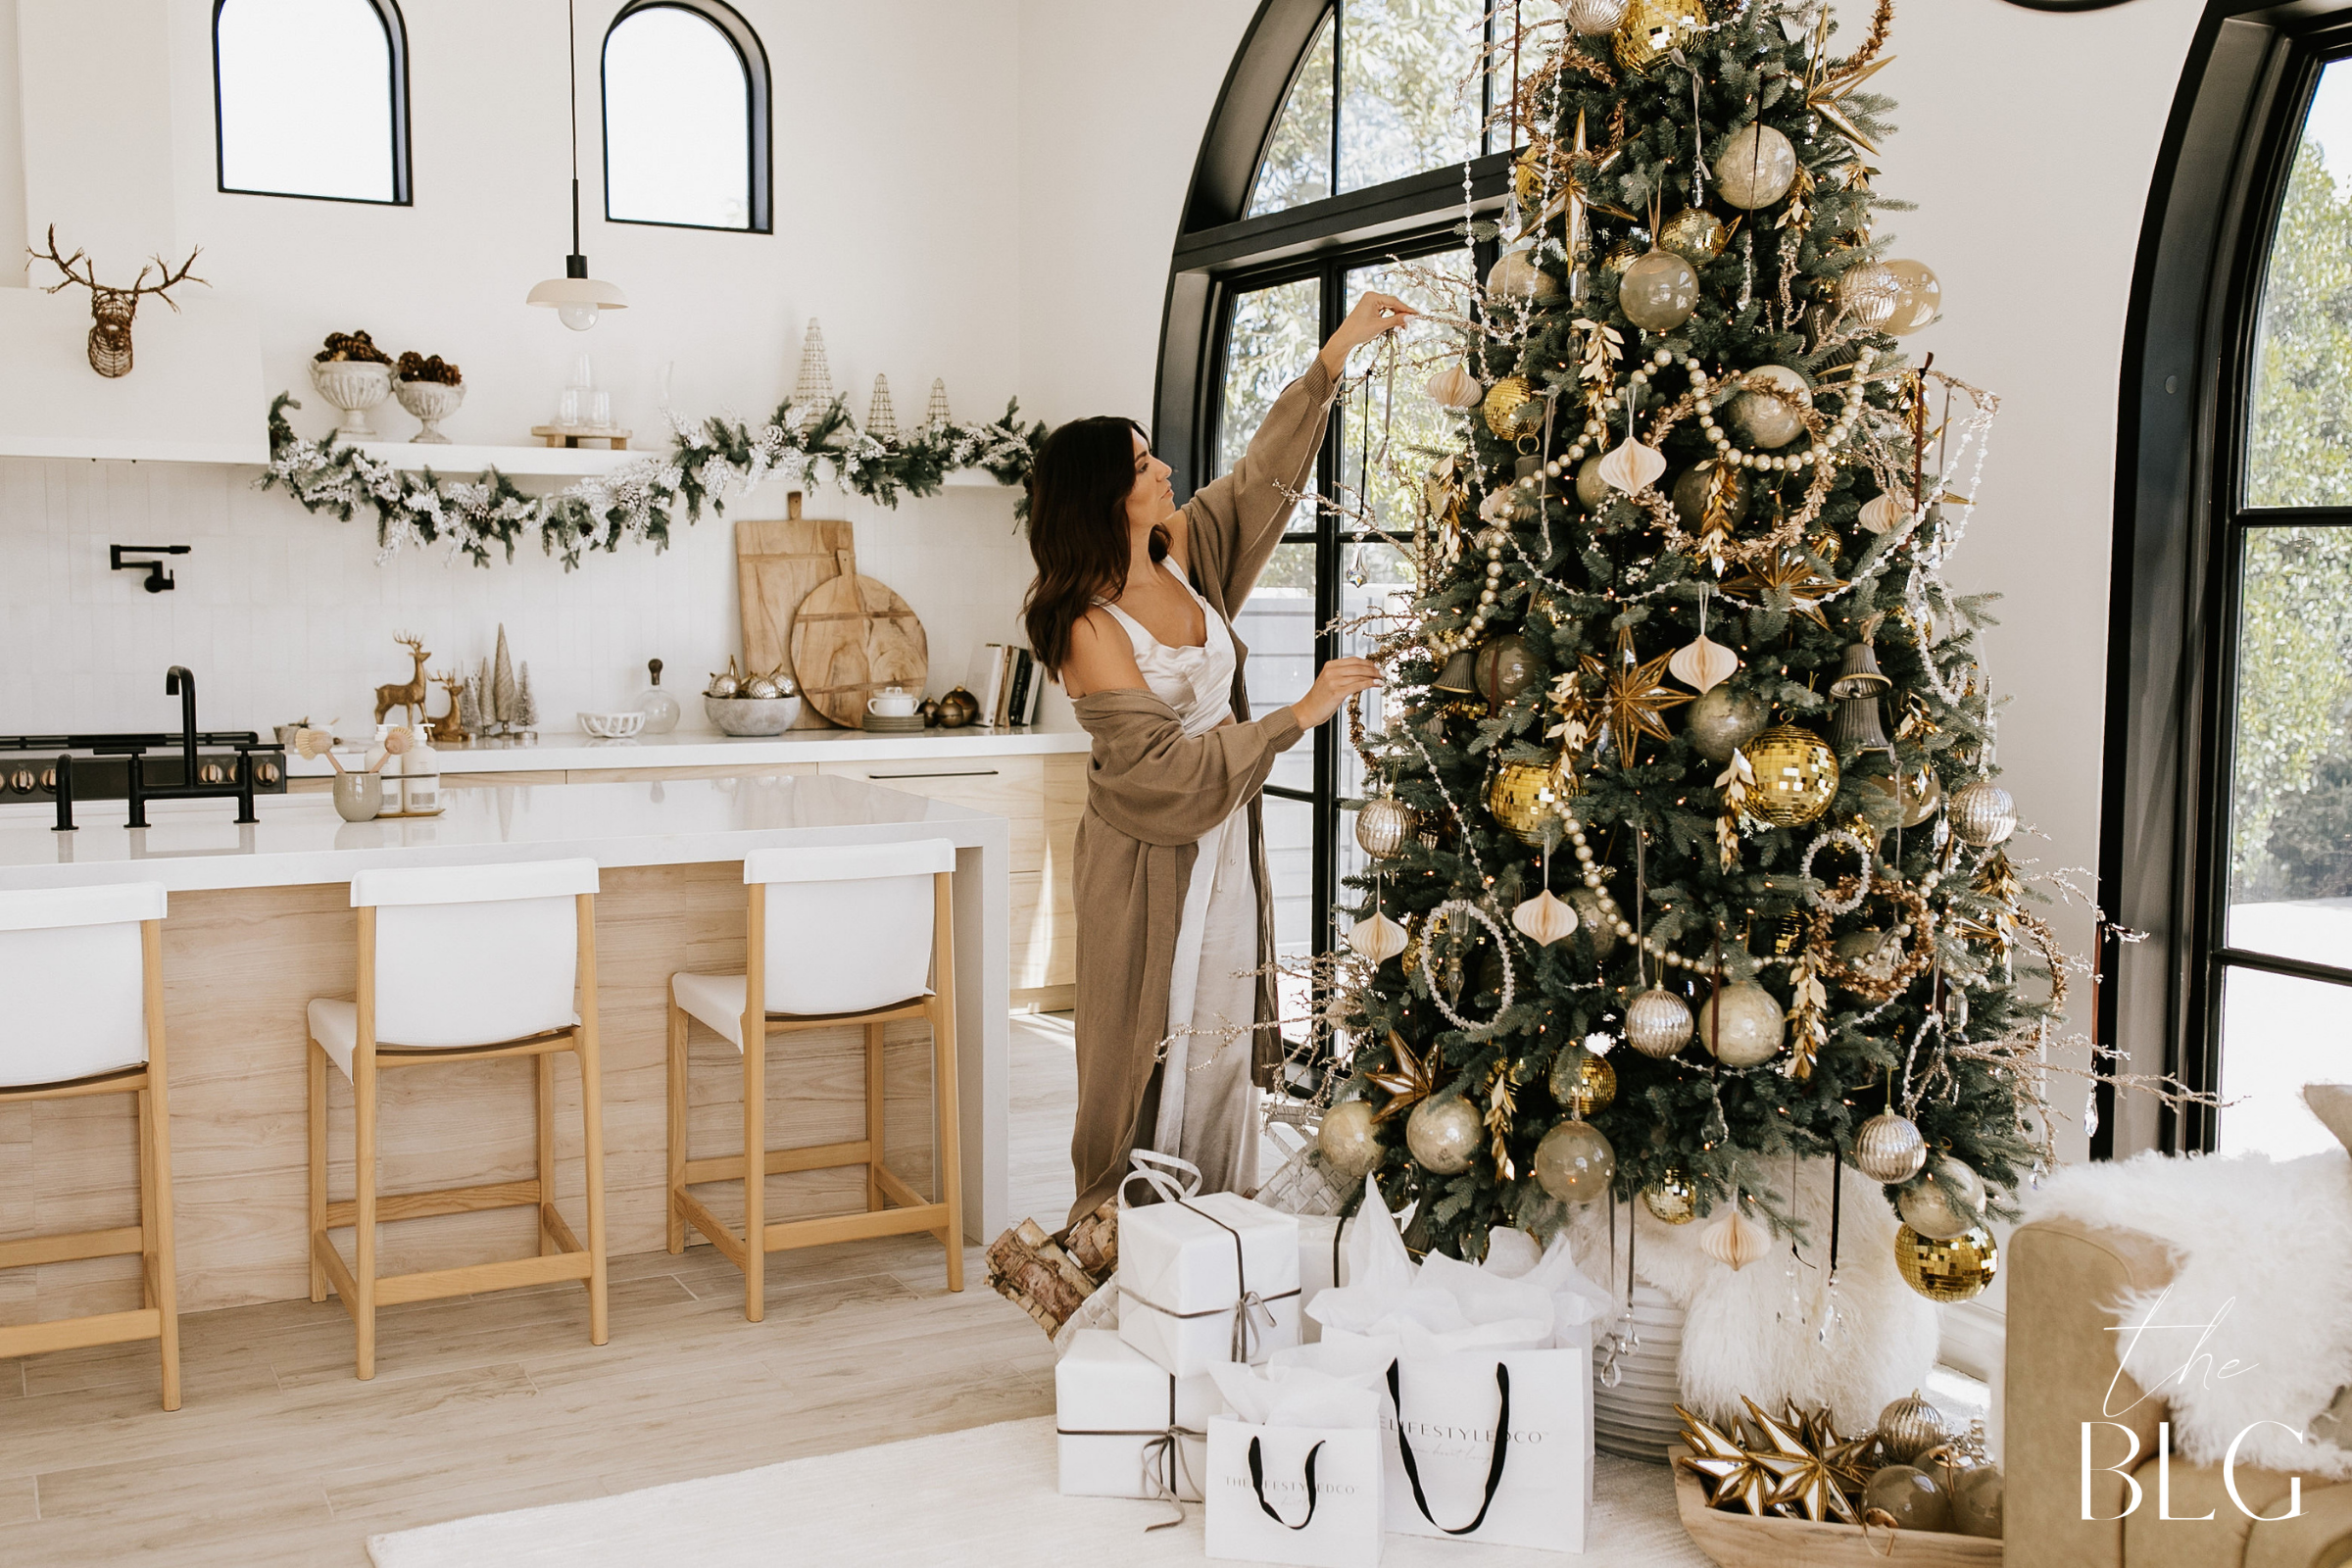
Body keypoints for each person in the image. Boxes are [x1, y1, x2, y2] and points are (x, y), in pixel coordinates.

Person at [1022, 292, 1413, 1223]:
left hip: (1226, 847)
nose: (1162, 468)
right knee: (1140, 1049)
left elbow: (1261, 481)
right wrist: (1298, 713)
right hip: (1149, 855)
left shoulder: (1181, 548)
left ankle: (1217, 1237)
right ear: (1102, 498)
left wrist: (1332, 361)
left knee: (1226, 1038)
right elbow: (1156, 770)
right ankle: (1123, 1246)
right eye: (1141, 463)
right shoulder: (1084, 623)